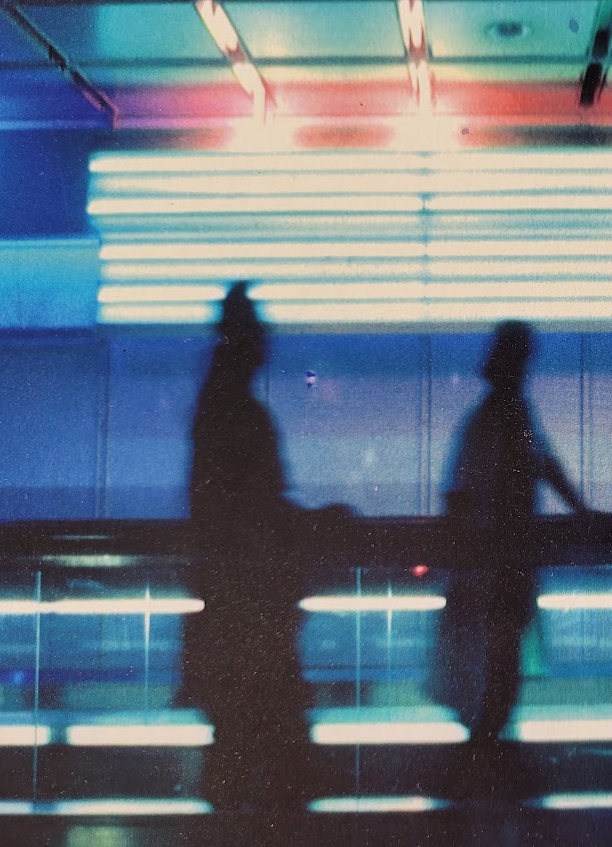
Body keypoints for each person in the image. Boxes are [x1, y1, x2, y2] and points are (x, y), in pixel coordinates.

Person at [180, 282, 350, 837]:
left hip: (231, 613)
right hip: (255, 614)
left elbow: (235, 511)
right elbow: (259, 512)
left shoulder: (216, 409)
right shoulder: (240, 413)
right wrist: (320, 523)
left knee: (237, 752)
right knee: (279, 759)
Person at [429, 321, 588, 798]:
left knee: (491, 668)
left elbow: (461, 491)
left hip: (489, 566)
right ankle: (488, 765)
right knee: (502, 667)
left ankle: (479, 768)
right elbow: (543, 466)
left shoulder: (488, 417)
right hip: (507, 565)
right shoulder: (511, 414)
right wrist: (581, 511)